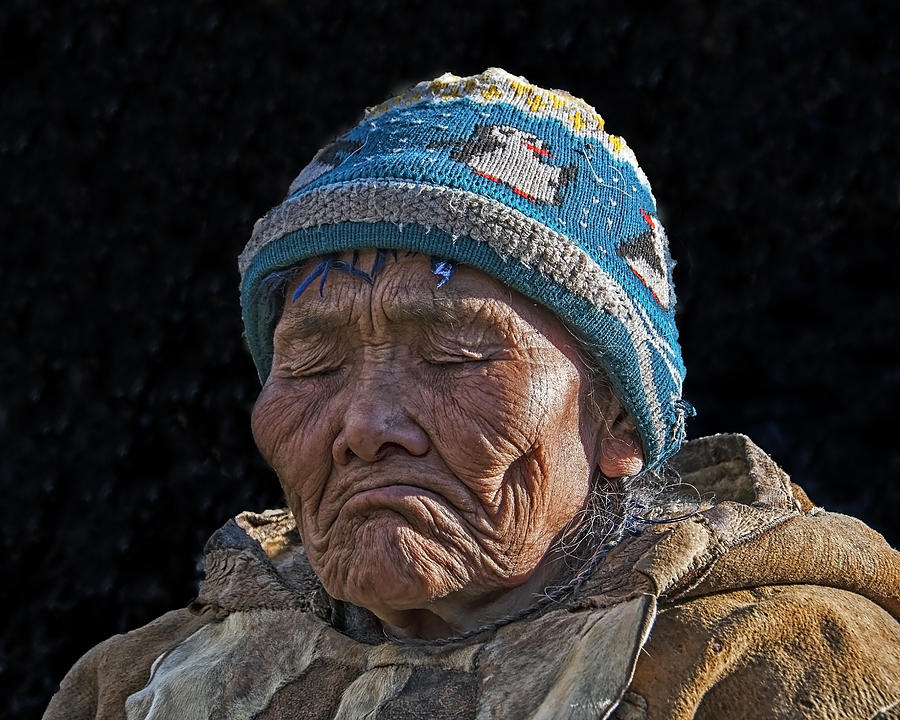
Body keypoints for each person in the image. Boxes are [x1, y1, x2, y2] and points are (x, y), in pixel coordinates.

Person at [45, 68, 900, 720]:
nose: (366, 425)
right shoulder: (134, 689)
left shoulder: (779, 666)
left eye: (453, 354)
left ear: (616, 422)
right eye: (311, 364)